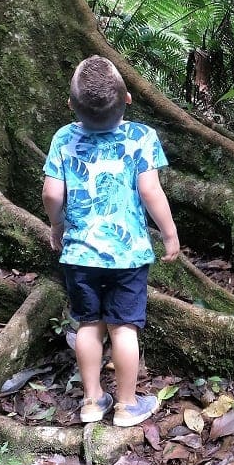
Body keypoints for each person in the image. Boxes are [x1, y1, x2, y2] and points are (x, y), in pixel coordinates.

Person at [42, 55, 180, 426]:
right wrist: (169, 233)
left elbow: (52, 194)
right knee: (124, 328)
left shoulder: (63, 138)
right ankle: (126, 404)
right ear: (129, 100)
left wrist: (57, 225)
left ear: (71, 106)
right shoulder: (141, 137)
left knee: (88, 324)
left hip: (80, 254)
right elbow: (150, 192)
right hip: (128, 255)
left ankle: (91, 401)